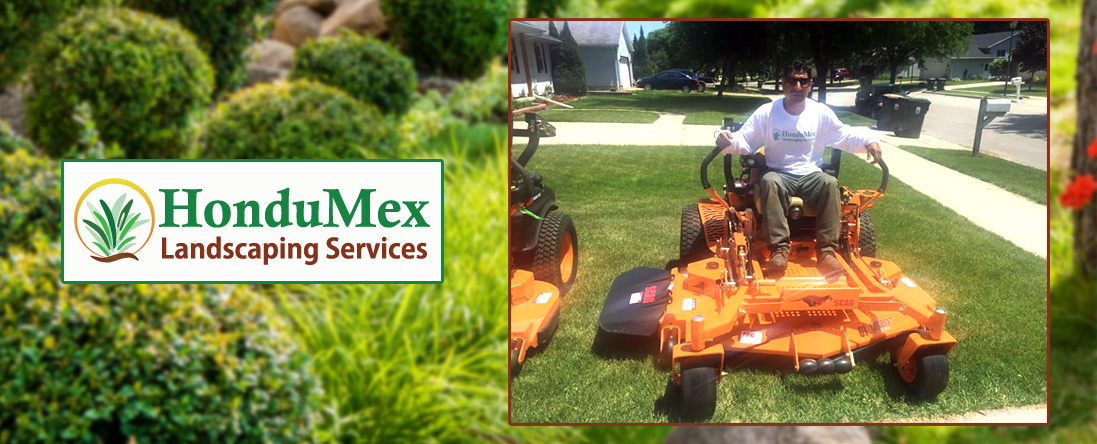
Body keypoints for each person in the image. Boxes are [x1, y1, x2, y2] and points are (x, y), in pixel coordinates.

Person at [716, 60, 882, 278]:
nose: (798, 86)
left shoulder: (820, 113)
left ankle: (827, 252)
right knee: (769, 181)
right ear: (784, 83)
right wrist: (726, 140)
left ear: (810, 85)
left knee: (830, 183)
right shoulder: (767, 113)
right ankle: (779, 250)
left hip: (811, 175)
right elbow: (745, 140)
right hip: (779, 173)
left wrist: (870, 141)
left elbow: (844, 135)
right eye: (792, 81)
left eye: (803, 82)